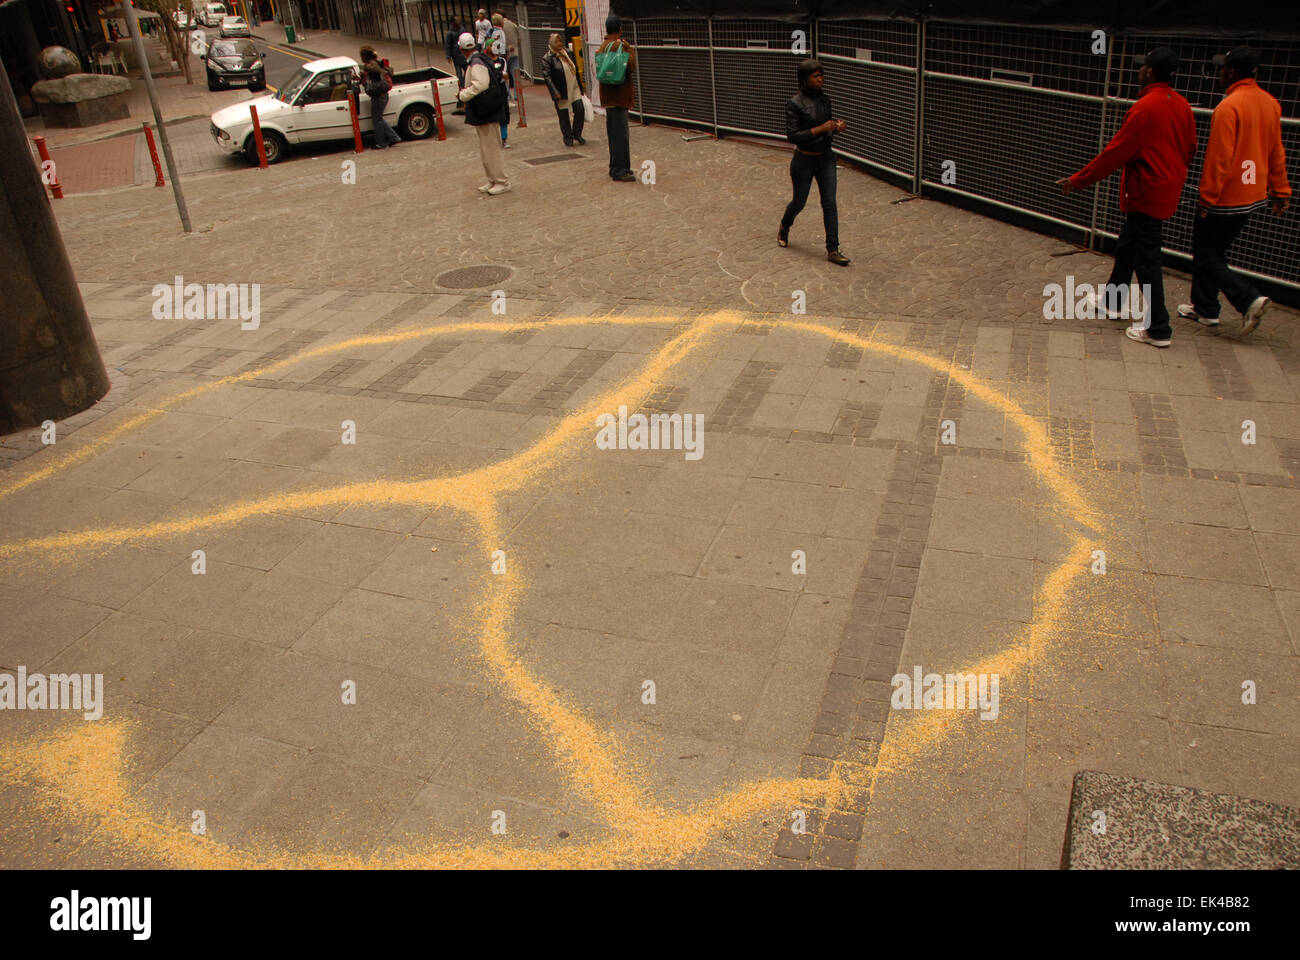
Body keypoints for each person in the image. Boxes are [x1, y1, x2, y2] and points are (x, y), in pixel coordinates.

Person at [1056, 47, 1196, 348]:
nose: (1139, 71)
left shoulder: (1145, 107)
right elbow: (1191, 149)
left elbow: (1117, 152)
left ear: (1148, 72)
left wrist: (1079, 180)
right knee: (1129, 245)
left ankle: (1158, 328)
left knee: (1147, 259)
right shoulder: (1182, 105)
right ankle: (1114, 300)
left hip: (1147, 191)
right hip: (1165, 189)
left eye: (1142, 67)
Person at [1178, 46, 1291, 337]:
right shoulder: (1270, 104)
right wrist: (1280, 191)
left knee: (1205, 252)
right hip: (1253, 195)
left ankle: (1248, 299)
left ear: (1230, 72)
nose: (1218, 74)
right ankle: (1205, 308)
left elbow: (1219, 159)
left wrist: (1206, 198)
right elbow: (1276, 152)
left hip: (1225, 197)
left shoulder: (1229, 107)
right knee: (1213, 250)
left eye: (1221, 69)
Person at [779, 59, 850, 266]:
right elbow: (792, 136)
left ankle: (833, 249)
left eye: (822, 75)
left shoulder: (825, 99)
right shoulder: (795, 103)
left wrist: (837, 127)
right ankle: (785, 225)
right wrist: (821, 129)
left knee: (829, 201)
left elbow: (827, 125)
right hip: (804, 159)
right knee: (799, 202)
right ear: (805, 79)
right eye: (816, 76)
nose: (821, 80)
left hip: (825, 158)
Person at [458, 32, 510, 195]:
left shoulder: (476, 62)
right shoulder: (478, 59)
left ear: (461, 48)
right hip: (486, 109)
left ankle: (501, 180)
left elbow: (481, 84)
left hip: (485, 110)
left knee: (490, 148)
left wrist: (463, 95)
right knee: (486, 148)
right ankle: (493, 179)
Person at [597, 14, 637, 182]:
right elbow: (631, 65)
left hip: (607, 98)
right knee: (621, 135)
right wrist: (629, 48)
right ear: (619, 28)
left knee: (613, 135)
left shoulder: (603, 46)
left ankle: (614, 167)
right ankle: (621, 170)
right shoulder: (620, 46)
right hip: (620, 97)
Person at [541, 32, 585, 147]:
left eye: (560, 41)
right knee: (563, 114)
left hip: (573, 86)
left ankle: (577, 133)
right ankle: (567, 137)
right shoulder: (548, 58)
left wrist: (581, 87)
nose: (559, 43)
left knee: (580, 109)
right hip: (561, 89)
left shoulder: (568, 53)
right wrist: (554, 92)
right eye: (556, 41)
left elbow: (575, 70)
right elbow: (547, 77)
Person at [359, 51, 401, 150]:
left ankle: (383, 142)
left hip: (379, 96)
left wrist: (365, 68)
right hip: (379, 95)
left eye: (362, 56)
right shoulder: (374, 64)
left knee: (377, 119)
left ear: (366, 56)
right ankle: (392, 138)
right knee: (378, 119)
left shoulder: (373, 65)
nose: (361, 58)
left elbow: (375, 71)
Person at [490, 37, 511, 149]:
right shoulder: (485, 61)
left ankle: (504, 138)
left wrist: (499, 75)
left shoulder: (501, 61)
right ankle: (494, 139)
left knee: (504, 114)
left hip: (501, 89)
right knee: (492, 115)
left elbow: (505, 75)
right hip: (490, 90)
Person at [500, 11, 522, 106]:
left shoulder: (499, 27)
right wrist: (514, 46)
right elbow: (519, 38)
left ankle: (507, 95)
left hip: (503, 54)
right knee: (515, 74)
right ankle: (517, 95)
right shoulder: (513, 25)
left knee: (504, 75)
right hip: (514, 52)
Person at [445, 18, 467, 88]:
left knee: (467, 70)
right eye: (456, 20)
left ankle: (464, 83)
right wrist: (448, 56)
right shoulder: (450, 33)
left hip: (463, 54)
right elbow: (448, 45)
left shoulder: (462, 29)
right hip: (456, 55)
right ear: (452, 23)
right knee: (459, 73)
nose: (458, 21)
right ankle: (462, 85)